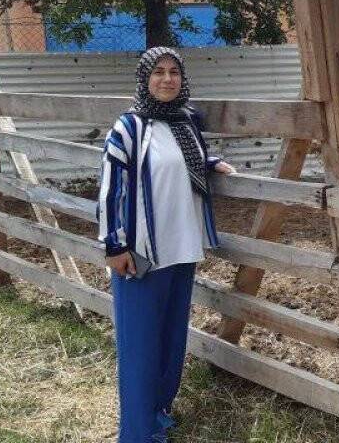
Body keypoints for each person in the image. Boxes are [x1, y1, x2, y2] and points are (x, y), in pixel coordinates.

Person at [97, 47, 235, 442]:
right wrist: (115, 245)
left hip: (182, 247)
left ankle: (159, 416)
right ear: (145, 80)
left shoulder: (186, 122)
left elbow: (185, 161)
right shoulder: (128, 128)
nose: (167, 79)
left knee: (171, 340)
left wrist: (212, 164)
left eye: (174, 71)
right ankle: (136, 433)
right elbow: (110, 190)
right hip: (141, 253)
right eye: (158, 72)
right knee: (139, 347)